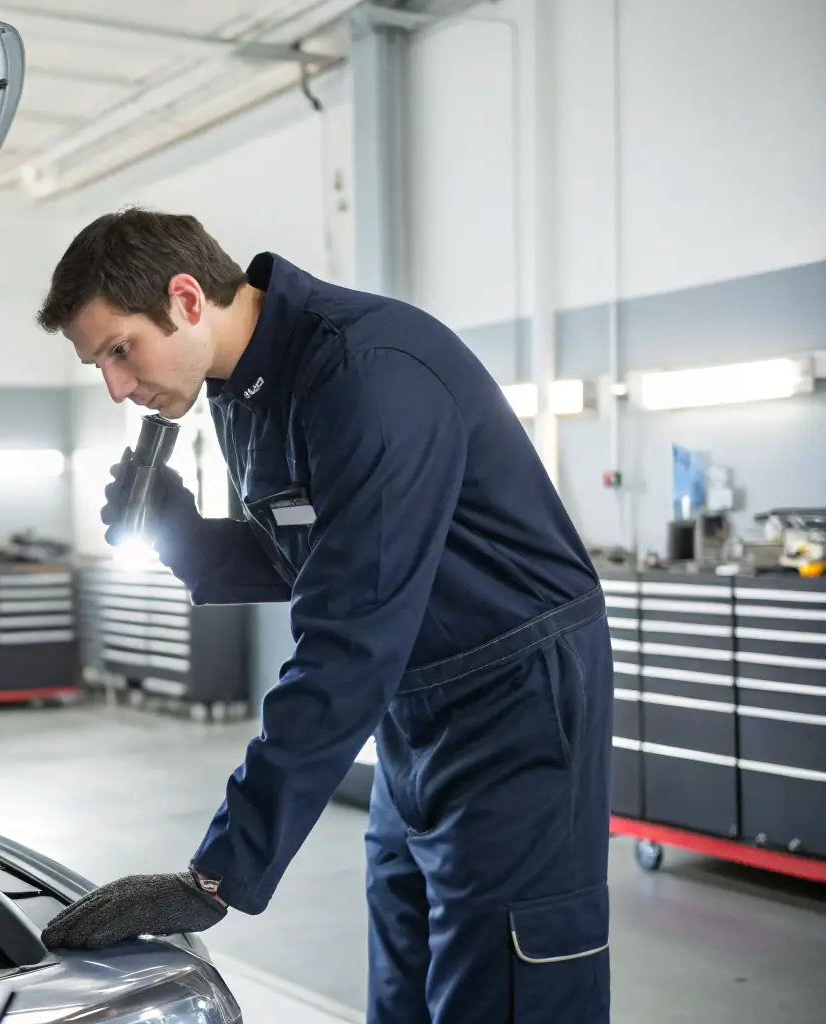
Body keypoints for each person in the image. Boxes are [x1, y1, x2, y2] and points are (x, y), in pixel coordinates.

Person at [34, 208, 613, 1023]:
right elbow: (315, 554)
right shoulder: (241, 390)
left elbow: (350, 633)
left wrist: (219, 871)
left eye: (120, 351)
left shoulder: (367, 373)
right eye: (99, 364)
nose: (117, 387)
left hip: (514, 701)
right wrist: (182, 535)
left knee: (506, 982)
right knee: (405, 974)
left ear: (187, 297)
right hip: (413, 707)